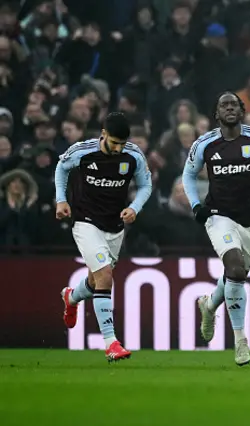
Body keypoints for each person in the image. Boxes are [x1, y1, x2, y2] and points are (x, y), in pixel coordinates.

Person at [182, 92, 250, 366]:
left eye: (234, 105)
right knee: (236, 269)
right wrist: (195, 204)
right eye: (223, 106)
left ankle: (209, 304)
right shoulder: (205, 143)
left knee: (236, 275)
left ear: (242, 110)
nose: (229, 109)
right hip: (219, 216)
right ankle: (240, 341)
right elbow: (188, 175)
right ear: (216, 114)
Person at [56, 112, 152, 362]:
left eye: (122, 143)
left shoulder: (133, 156)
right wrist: (61, 199)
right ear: (103, 134)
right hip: (85, 221)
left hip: (114, 226)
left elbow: (145, 186)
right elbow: (61, 168)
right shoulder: (82, 151)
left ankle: (71, 297)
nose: (119, 148)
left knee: (95, 280)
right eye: (114, 143)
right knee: (105, 276)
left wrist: (135, 207)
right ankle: (111, 343)